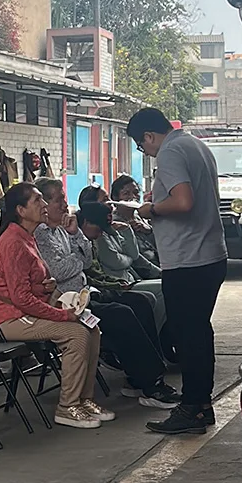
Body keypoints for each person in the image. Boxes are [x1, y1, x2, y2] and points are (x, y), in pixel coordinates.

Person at [32, 177, 180, 409]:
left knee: (140, 302)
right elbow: (59, 271)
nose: (65, 204)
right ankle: (151, 384)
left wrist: (75, 236)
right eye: (59, 200)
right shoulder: (40, 234)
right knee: (121, 315)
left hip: (85, 293)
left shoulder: (61, 229)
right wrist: (77, 258)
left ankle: (138, 378)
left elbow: (86, 259)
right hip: (67, 303)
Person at [127, 108, 227, 434]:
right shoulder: (196, 145)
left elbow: (183, 201)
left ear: (149, 136)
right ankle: (201, 405)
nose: (145, 151)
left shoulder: (169, 152)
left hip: (188, 260)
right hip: (209, 254)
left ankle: (192, 408)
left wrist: (151, 208)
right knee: (198, 333)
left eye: (141, 145)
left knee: (188, 337)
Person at [0, 183, 107, 429]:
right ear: (21, 210)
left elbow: (27, 285)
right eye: (37, 201)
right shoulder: (13, 242)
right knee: (76, 334)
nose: (44, 205)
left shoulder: (27, 237)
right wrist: (62, 315)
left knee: (92, 328)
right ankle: (67, 406)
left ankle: (84, 399)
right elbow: (20, 299)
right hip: (12, 319)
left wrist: (46, 286)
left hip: (29, 311)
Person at [77, 200, 167, 343]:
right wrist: (118, 283)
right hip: (102, 289)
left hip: (120, 281)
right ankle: (153, 340)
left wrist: (127, 230)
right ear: (86, 222)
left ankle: (158, 341)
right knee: (147, 299)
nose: (100, 234)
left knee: (156, 294)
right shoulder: (85, 240)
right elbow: (114, 263)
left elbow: (134, 255)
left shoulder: (105, 232)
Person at [110, 173, 159, 265]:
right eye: (126, 193)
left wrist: (148, 231)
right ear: (116, 198)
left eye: (136, 193)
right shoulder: (115, 223)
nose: (133, 197)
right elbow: (133, 257)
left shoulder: (141, 217)